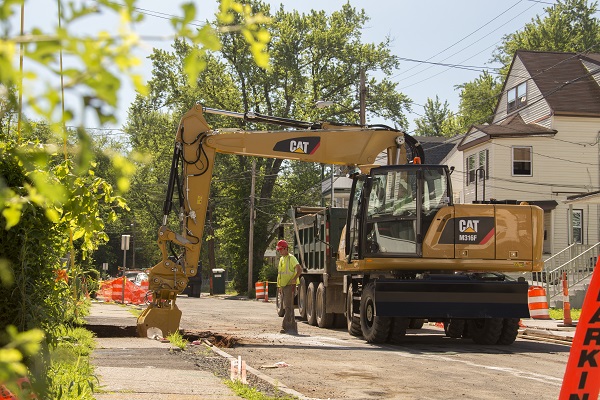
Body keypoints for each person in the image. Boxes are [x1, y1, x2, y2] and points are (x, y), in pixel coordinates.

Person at [276, 239, 302, 334]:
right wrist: (279, 286)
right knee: (287, 306)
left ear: (286, 248)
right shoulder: (282, 259)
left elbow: (299, 269)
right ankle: (291, 326)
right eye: (279, 250)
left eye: (281, 249)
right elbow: (280, 274)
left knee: (288, 307)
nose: (280, 251)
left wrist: (295, 279)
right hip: (283, 286)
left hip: (290, 285)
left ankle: (285, 326)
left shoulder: (292, 258)